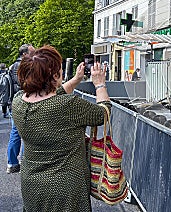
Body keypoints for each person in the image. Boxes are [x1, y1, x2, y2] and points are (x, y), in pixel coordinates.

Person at [12, 45, 111, 211]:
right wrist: (100, 85)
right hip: (66, 189)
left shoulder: (18, 102)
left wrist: (77, 79)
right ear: (55, 75)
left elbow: (50, 96)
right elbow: (103, 114)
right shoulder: (68, 105)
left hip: (32, 185)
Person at [6, 44, 35, 173]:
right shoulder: (25, 66)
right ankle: (25, 161)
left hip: (14, 103)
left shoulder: (12, 66)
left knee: (15, 133)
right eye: (32, 53)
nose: (35, 55)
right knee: (27, 133)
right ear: (24, 54)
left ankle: (12, 163)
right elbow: (27, 85)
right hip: (24, 103)